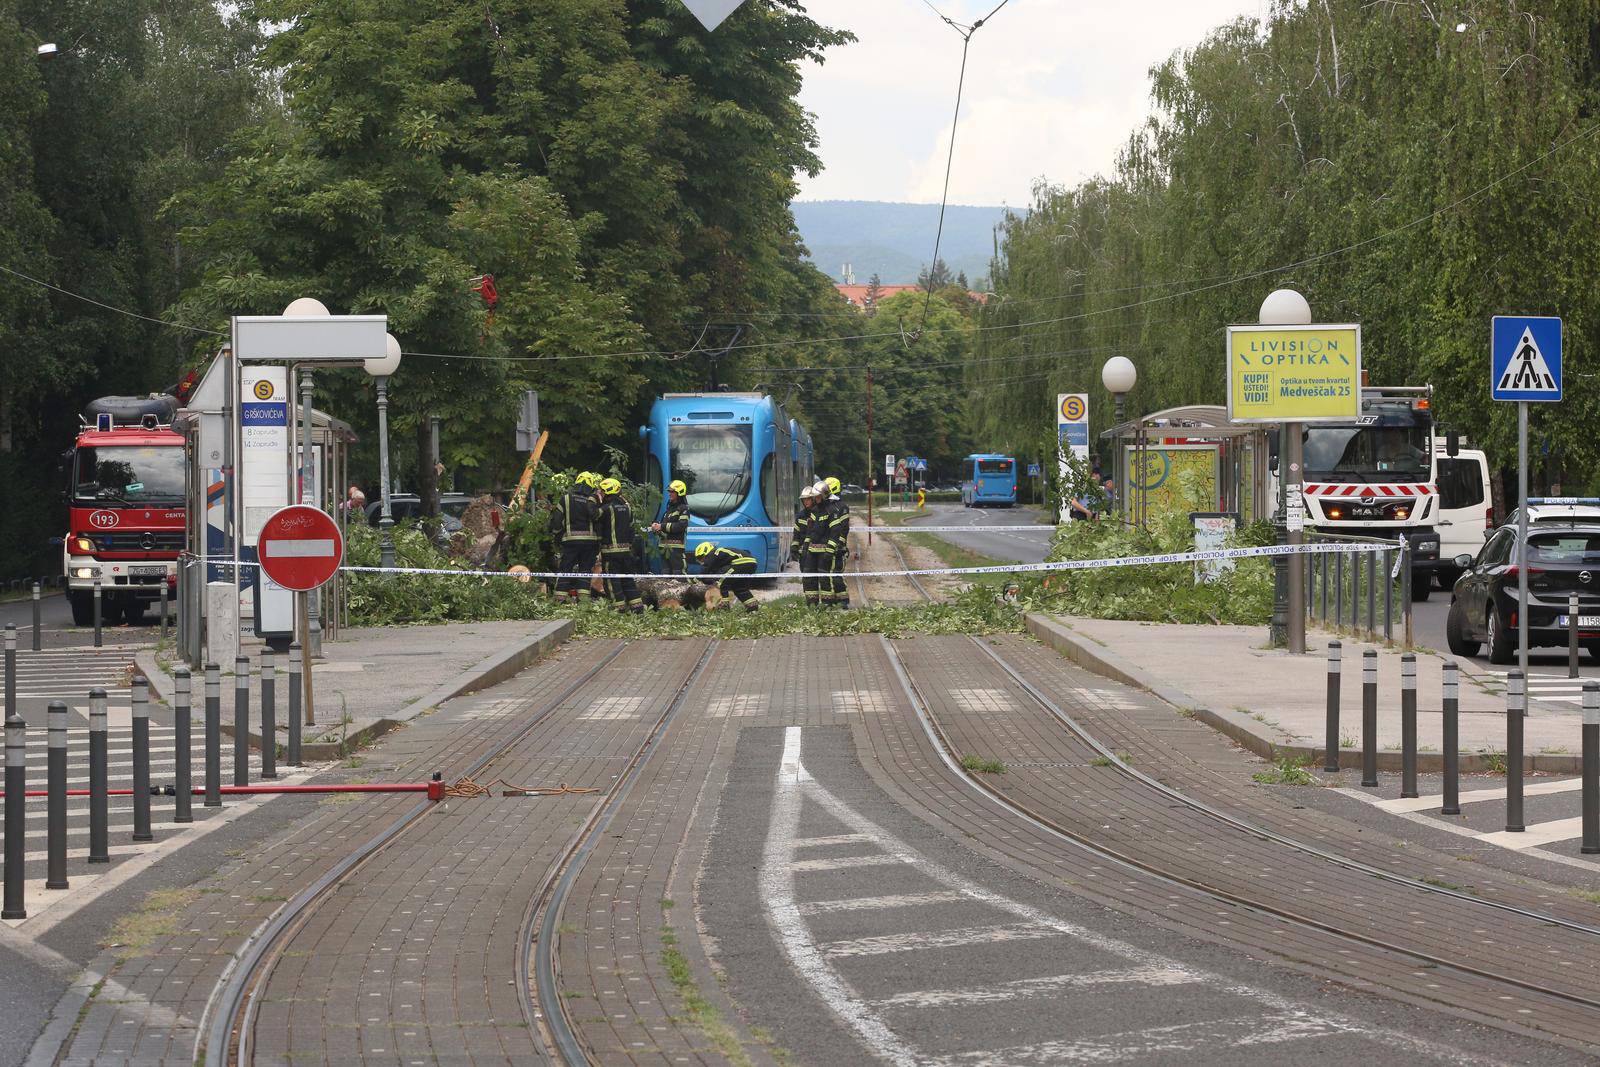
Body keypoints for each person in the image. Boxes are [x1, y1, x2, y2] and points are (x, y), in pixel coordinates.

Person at [594, 477, 643, 613]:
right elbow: (632, 528)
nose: (601, 494)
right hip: (626, 552)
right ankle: (637, 609)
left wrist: (595, 499)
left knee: (612, 582)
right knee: (628, 580)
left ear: (608, 491)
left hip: (611, 552)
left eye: (602, 491)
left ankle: (619, 610)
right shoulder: (627, 508)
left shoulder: (607, 508)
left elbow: (593, 515)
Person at [550, 472, 600, 602]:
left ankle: (559, 600)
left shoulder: (565, 499)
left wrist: (557, 535)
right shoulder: (592, 501)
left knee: (565, 569)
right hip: (590, 543)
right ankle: (583, 600)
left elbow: (556, 520)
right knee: (585, 570)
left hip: (570, 542)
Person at [695, 541, 759, 612]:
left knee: (720, 582)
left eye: (701, 557)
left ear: (706, 551)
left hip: (740, 562)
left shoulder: (713, 553)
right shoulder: (720, 556)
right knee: (740, 588)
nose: (702, 560)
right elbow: (712, 573)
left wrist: (696, 579)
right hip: (751, 563)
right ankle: (752, 607)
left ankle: (723, 607)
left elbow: (705, 570)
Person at [790, 484, 825, 606]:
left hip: (818, 552)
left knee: (823, 578)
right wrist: (794, 547)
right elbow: (796, 533)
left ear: (814, 499)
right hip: (804, 554)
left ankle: (827, 602)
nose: (806, 502)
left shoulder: (821, 513)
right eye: (804, 499)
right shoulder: (800, 516)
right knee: (807, 578)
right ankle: (811, 602)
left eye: (808, 499)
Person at [652, 480, 690, 575]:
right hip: (664, 548)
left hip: (676, 549)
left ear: (679, 493)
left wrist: (662, 526)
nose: (669, 494)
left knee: (679, 574)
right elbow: (664, 527)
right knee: (665, 573)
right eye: (669, 491)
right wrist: (656, 527)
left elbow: (680, 526)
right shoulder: (669, 510)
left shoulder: (683, 509)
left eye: (672, 492)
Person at [824, 476, 851, 608]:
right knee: (826, 573)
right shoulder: (826, 505)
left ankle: (843, 600)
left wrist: (840, 544)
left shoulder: (842, 507)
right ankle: (831, 599)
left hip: (838, 548)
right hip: (827, 545)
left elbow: (844, 528)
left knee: (836, 573)